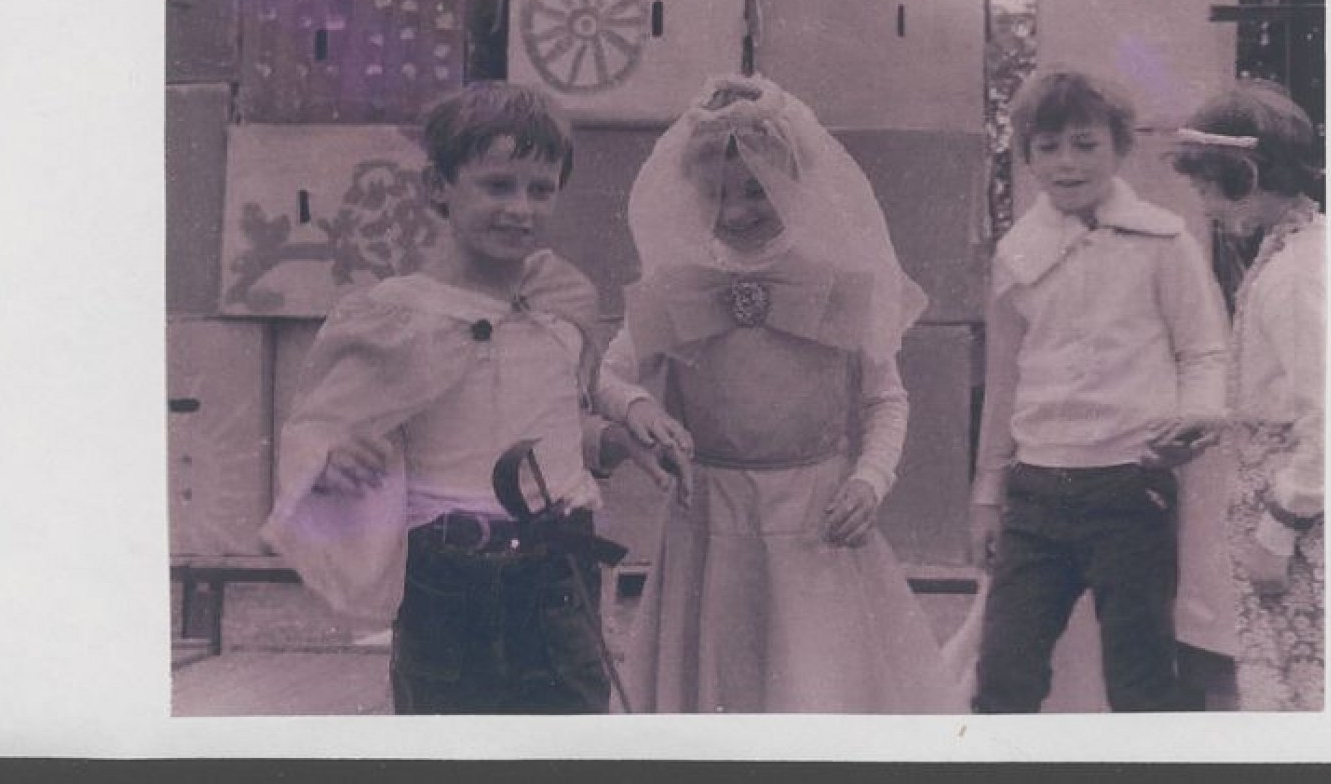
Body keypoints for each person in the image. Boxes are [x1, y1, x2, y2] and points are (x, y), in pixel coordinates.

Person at [261, 83, 651, 715]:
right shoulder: (397, 316)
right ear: (437, 186)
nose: (520, 208)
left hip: (559, 580)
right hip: (448, 582)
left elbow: (560, 418)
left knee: (569, 742)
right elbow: (322, 425)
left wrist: (619, 437)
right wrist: (333, 459)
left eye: (540, 189)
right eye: (497, 186)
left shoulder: (560, 301)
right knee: (447, 744)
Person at [597, 72, 955, 713]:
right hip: (709, 527)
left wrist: (870, 479)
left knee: (816, 690)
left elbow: (885, 398)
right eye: (717, 194)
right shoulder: (679, 283)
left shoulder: (835, 279)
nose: (736, 212)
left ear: (793, 180)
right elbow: (604, 375)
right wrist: (636, 404)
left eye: (756, 191)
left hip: (816, 524)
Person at [968, 68, 1230, 715]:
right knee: (1004, 673)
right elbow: (1005, 379)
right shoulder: (1017, 254)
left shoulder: (1164, 241)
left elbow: (1203, 350)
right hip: (1035, 493)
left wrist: (1194, 420)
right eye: (1049, 147)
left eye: (1086, 144)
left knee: (1140, 682)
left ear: (1119, 147)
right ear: (1027, 156)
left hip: (1130, 489)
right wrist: (986, 496)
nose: (1068, 163)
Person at [1170, 83, 1326, 712]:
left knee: (1297, 688)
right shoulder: (1289, 254)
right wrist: (1223, 422)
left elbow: (1329, 413)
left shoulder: (1296, 276)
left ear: (1246, 176)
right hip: (1274, 507)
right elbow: (1280, 391)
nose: (1204, 204)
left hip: (1293, 527)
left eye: (1209, 186)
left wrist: (1280, 530)